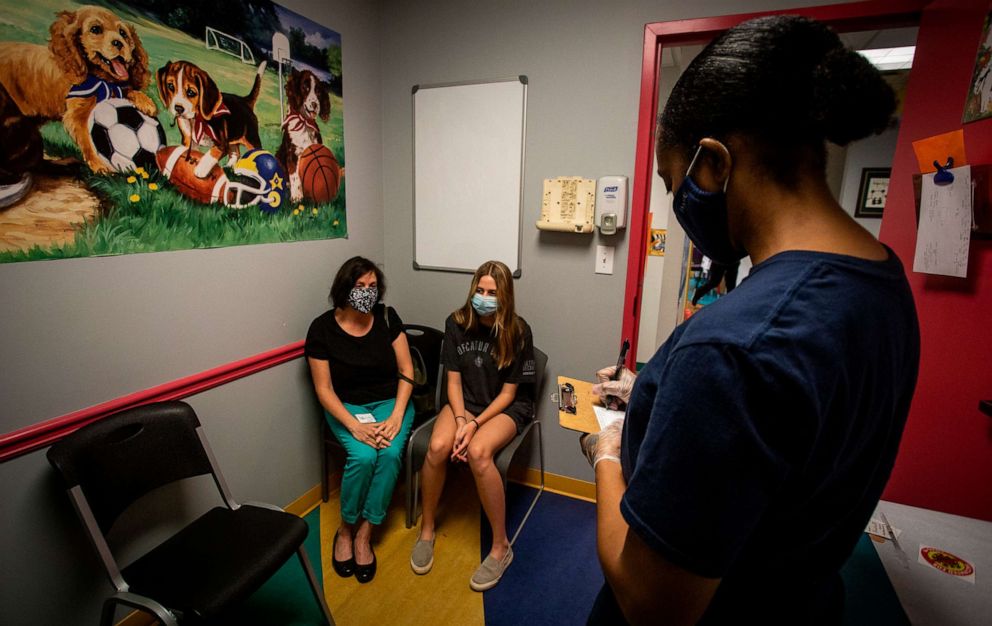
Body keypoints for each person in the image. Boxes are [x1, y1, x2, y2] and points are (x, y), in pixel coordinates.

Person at [581, 15, 920, 625]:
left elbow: (649, 601)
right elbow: (785, 438)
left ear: (712, 164)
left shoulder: (730, 349)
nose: (676, 203)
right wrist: (653, 398)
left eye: (672, 182)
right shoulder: (883, 284)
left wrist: (607, 448)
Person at [410, 260, 536, 591]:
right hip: (465, 402)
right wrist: (463, 419)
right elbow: (452, 382)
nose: (483, 297)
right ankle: (427, 529)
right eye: (479, 290)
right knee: (437, 447)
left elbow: (510, 394)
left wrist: (475, 426)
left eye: (491, 292)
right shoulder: (456, 323)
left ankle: (500, 547)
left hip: (505, 407)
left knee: (480, 452)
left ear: (505, 296)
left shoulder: (519, 331)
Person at [305, 256, 415, 584]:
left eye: (372, 287)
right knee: (364, 455)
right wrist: (354, 425)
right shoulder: (322, 329)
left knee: (392, 452)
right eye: (359, 286)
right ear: (345, 288)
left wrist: (396, 416)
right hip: (346, 406)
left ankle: (366, 532)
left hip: (390, 403)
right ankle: (345, 529)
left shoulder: (386, 317)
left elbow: (407, 371)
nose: (367, 293)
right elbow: (323, 390)